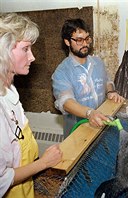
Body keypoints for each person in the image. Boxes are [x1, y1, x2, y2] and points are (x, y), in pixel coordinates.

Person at [0, 13, 62, 198]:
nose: (32, 57)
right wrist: (44, 163)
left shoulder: (10, 89)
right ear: (3, 50)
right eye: (25, 49)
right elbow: (2, 179)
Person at [52, 18, 124, 138]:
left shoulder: (97, 62)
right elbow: (66, 102)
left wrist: (111, 91)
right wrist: (89, 113)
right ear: (67, 42)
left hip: (101, 126)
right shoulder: (62, 72)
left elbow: (107, 81)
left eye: (87, 39)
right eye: (79, 40)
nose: (85, 44)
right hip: (78, 132)